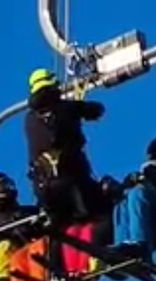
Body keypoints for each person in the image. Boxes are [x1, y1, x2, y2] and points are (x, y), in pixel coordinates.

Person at [24, 68, 109, 222]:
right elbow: (95, 110)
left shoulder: (29, 119)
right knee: (100, 213)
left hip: (44, 187)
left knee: (62, 225)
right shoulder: (65, 108)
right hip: (72, 179)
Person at [109, 136, 156, 260]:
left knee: (137, 193)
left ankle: (140, 243)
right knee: (122, 201)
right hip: (151, 201)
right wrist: (129, 182)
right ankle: (122, 245)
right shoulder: (150, 170)